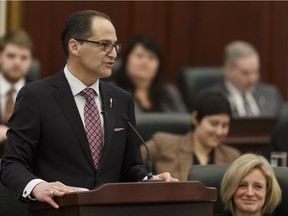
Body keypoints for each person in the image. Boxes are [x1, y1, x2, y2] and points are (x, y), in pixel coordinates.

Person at [0, 10, 177, 210]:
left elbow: (130, 167)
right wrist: (38, 186)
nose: (113, 53)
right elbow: (12, 164)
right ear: (75, 46)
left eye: (115, 46)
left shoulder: (121, 100)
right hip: (58, 211)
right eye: (104, 45)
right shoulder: (36, 96)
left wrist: (149, 180)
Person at [141, 91, 241, 181]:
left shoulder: (232, 157)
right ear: (195, 118)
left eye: (225, 125)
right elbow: (130, 165)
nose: (219, 132)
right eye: (214, 124)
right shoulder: (163, 144)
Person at [115, 35, 187, 113]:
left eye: (151, 57)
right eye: (139, 56)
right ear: (126, 60)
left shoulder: (171, 93)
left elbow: (183, 122)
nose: (145, 62)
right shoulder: (114, 92)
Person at [210, 40, 283, 117]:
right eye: (245, 73)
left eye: (256, 72)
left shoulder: (271, 94)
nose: (252, 78)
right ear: (228, 70)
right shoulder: (213, 98)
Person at [0, 30, 34, 156]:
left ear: (31, 61)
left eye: (24, 57)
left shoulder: (42, 91)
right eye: (11, 56)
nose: (17, 62)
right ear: (0, 56)